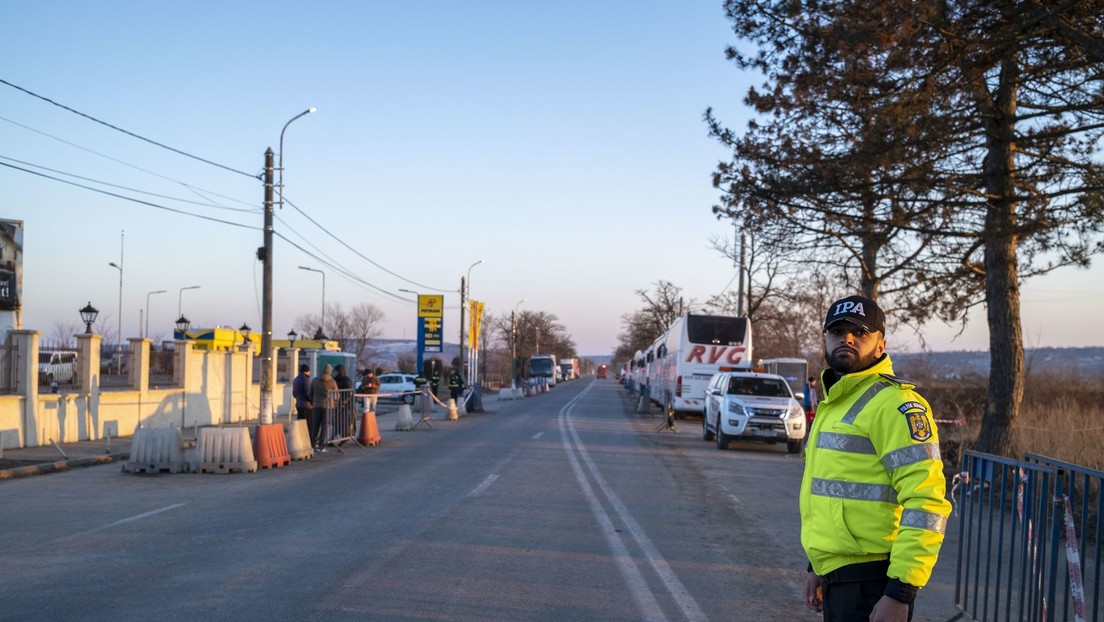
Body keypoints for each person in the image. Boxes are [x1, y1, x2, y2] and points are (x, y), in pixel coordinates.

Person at [801, 295, 952, 622]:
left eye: (860, 333)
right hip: (838, 579)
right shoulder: (834, 404)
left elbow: (927, 502)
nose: (847, 339)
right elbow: (829, 494)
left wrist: (900, 592)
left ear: (881, 345)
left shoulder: (896, 405)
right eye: (837, 331)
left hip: (874, 585)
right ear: (826, 340)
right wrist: (817, 566)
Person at [310, 363, 338, 449]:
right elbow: (336, 395)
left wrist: (313, 401)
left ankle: (313, 443)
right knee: (324, 426)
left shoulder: (315, 380)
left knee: (315, 425)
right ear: (330, 371)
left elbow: (310, 393)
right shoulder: (332, 382)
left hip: (316, 405)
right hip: (328, 406)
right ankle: (322, 445)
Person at [333, 364, 355, 438]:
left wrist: (344, 402)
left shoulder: (346, 381)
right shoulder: (335, 379)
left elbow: (348, 394)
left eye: (336, 371)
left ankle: (344, 436)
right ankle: (334, 436)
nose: (335, 373)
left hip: (345, 405)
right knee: (335, 421)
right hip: (337, 403)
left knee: (343, 422)